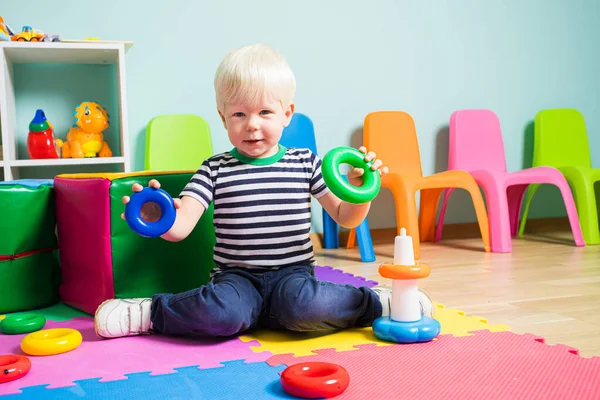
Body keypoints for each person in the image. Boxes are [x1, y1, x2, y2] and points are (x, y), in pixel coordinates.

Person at [94, 43, 434, 339]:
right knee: (222, 315)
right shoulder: (213, 169)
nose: (252, 124)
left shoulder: (305, 163)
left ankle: (378, 301)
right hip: (236, 279)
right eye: (239, 113)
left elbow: (345, 217)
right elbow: (180, 227)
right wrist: (157, 215)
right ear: (223, 118)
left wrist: (362, 190)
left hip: (294, 277)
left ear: (287, 114)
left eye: (265, 112)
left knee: (306, 308)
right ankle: (149, 313)